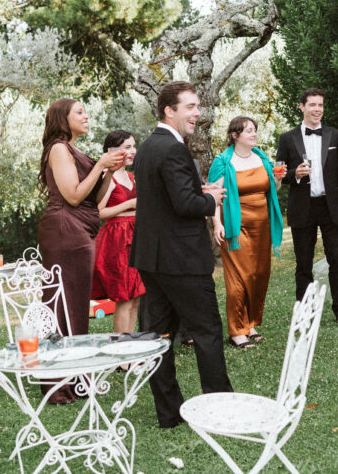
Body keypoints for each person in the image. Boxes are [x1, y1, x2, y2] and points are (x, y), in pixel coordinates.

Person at [130, 81, 232, 428]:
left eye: (197, 106)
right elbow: (185, 205)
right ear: (168, 110)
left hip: (153, 259)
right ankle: (221, 409)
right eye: (190, 107)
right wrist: (211, 199)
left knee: (157, 339)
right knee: (206, 332)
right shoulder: (173, 149)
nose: (197, 113)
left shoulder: (148, 147)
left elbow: (165, 198)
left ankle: (169, 413)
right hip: (182, 260)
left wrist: (196, 191)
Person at [37, 98, 123, 404]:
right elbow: (73, 197)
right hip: (64, 231)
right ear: (63, 118)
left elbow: (95, 200)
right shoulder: (59, 149)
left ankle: (76, 377)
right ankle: (57, 382)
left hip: (80, 230)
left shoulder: (75, 151)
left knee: (75, 306)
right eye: (80, 112)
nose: (86, 116)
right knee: (62, 305)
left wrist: (110, 172)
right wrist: (99, 164)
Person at [275, 88, 338, 326]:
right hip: (303, 207)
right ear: (302, 107)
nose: (317, 109)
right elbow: (279, 172)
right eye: (312, 105)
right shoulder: (287, 138)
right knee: (303, 263)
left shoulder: (335, 135)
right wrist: (295, 174)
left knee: (336, 259)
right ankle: (304, 313)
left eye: (320, 105)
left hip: (331, 207)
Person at [208, 116, 285, 349]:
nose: (254, 134)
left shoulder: (262, 158)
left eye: (255, 130)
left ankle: (250, 324)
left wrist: (278, 179)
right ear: (235, 135)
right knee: (239, 278)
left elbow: (273, 189)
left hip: (262, 226)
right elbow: (214, 196)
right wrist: (217, 224)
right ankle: (236, 331)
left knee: (259, 274)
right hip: (236, 226)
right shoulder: (223, 161)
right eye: (249, 130)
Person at [91, 129, 145, 340]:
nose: (133, 151)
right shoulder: (109, 176)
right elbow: (99, 212)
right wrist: (129, 204)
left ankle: (129, 343)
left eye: (134, 146)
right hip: (117, 240)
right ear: (112, 151)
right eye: (127, 147)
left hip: (135, 236)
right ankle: (121, 348)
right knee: (124, 297)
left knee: (136, 296)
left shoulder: (130, 176)